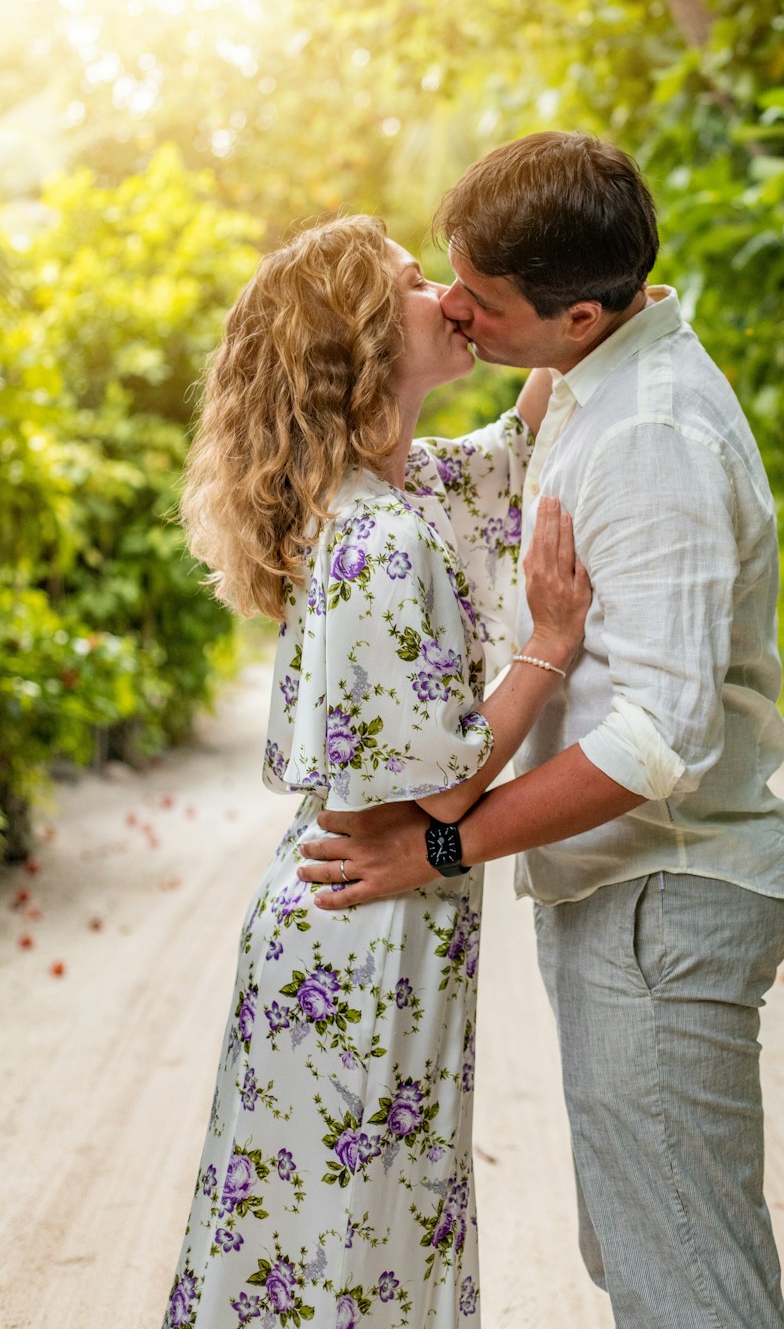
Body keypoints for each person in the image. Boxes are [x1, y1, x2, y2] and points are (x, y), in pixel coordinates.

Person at [299, 133, 784, 1329]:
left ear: (580, 315)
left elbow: (655, 741)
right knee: (643, 1242)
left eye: (480, 296)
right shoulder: (591, 378)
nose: (452, 306)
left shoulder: (650, 437)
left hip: (664, 893)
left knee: (683, 1266)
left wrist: (433, 850)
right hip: (625, 893)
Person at [163, 214, 590, 1329]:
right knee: (347, 1252)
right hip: (356, 944)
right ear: (359, 340)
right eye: (414, 282)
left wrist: (585, 302)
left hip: (376, 928)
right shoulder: (378, 542)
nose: (447, 292)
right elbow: (443, 789)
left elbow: (505, 456)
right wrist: (548, 645)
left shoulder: (401, 492)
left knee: (359, 1245)